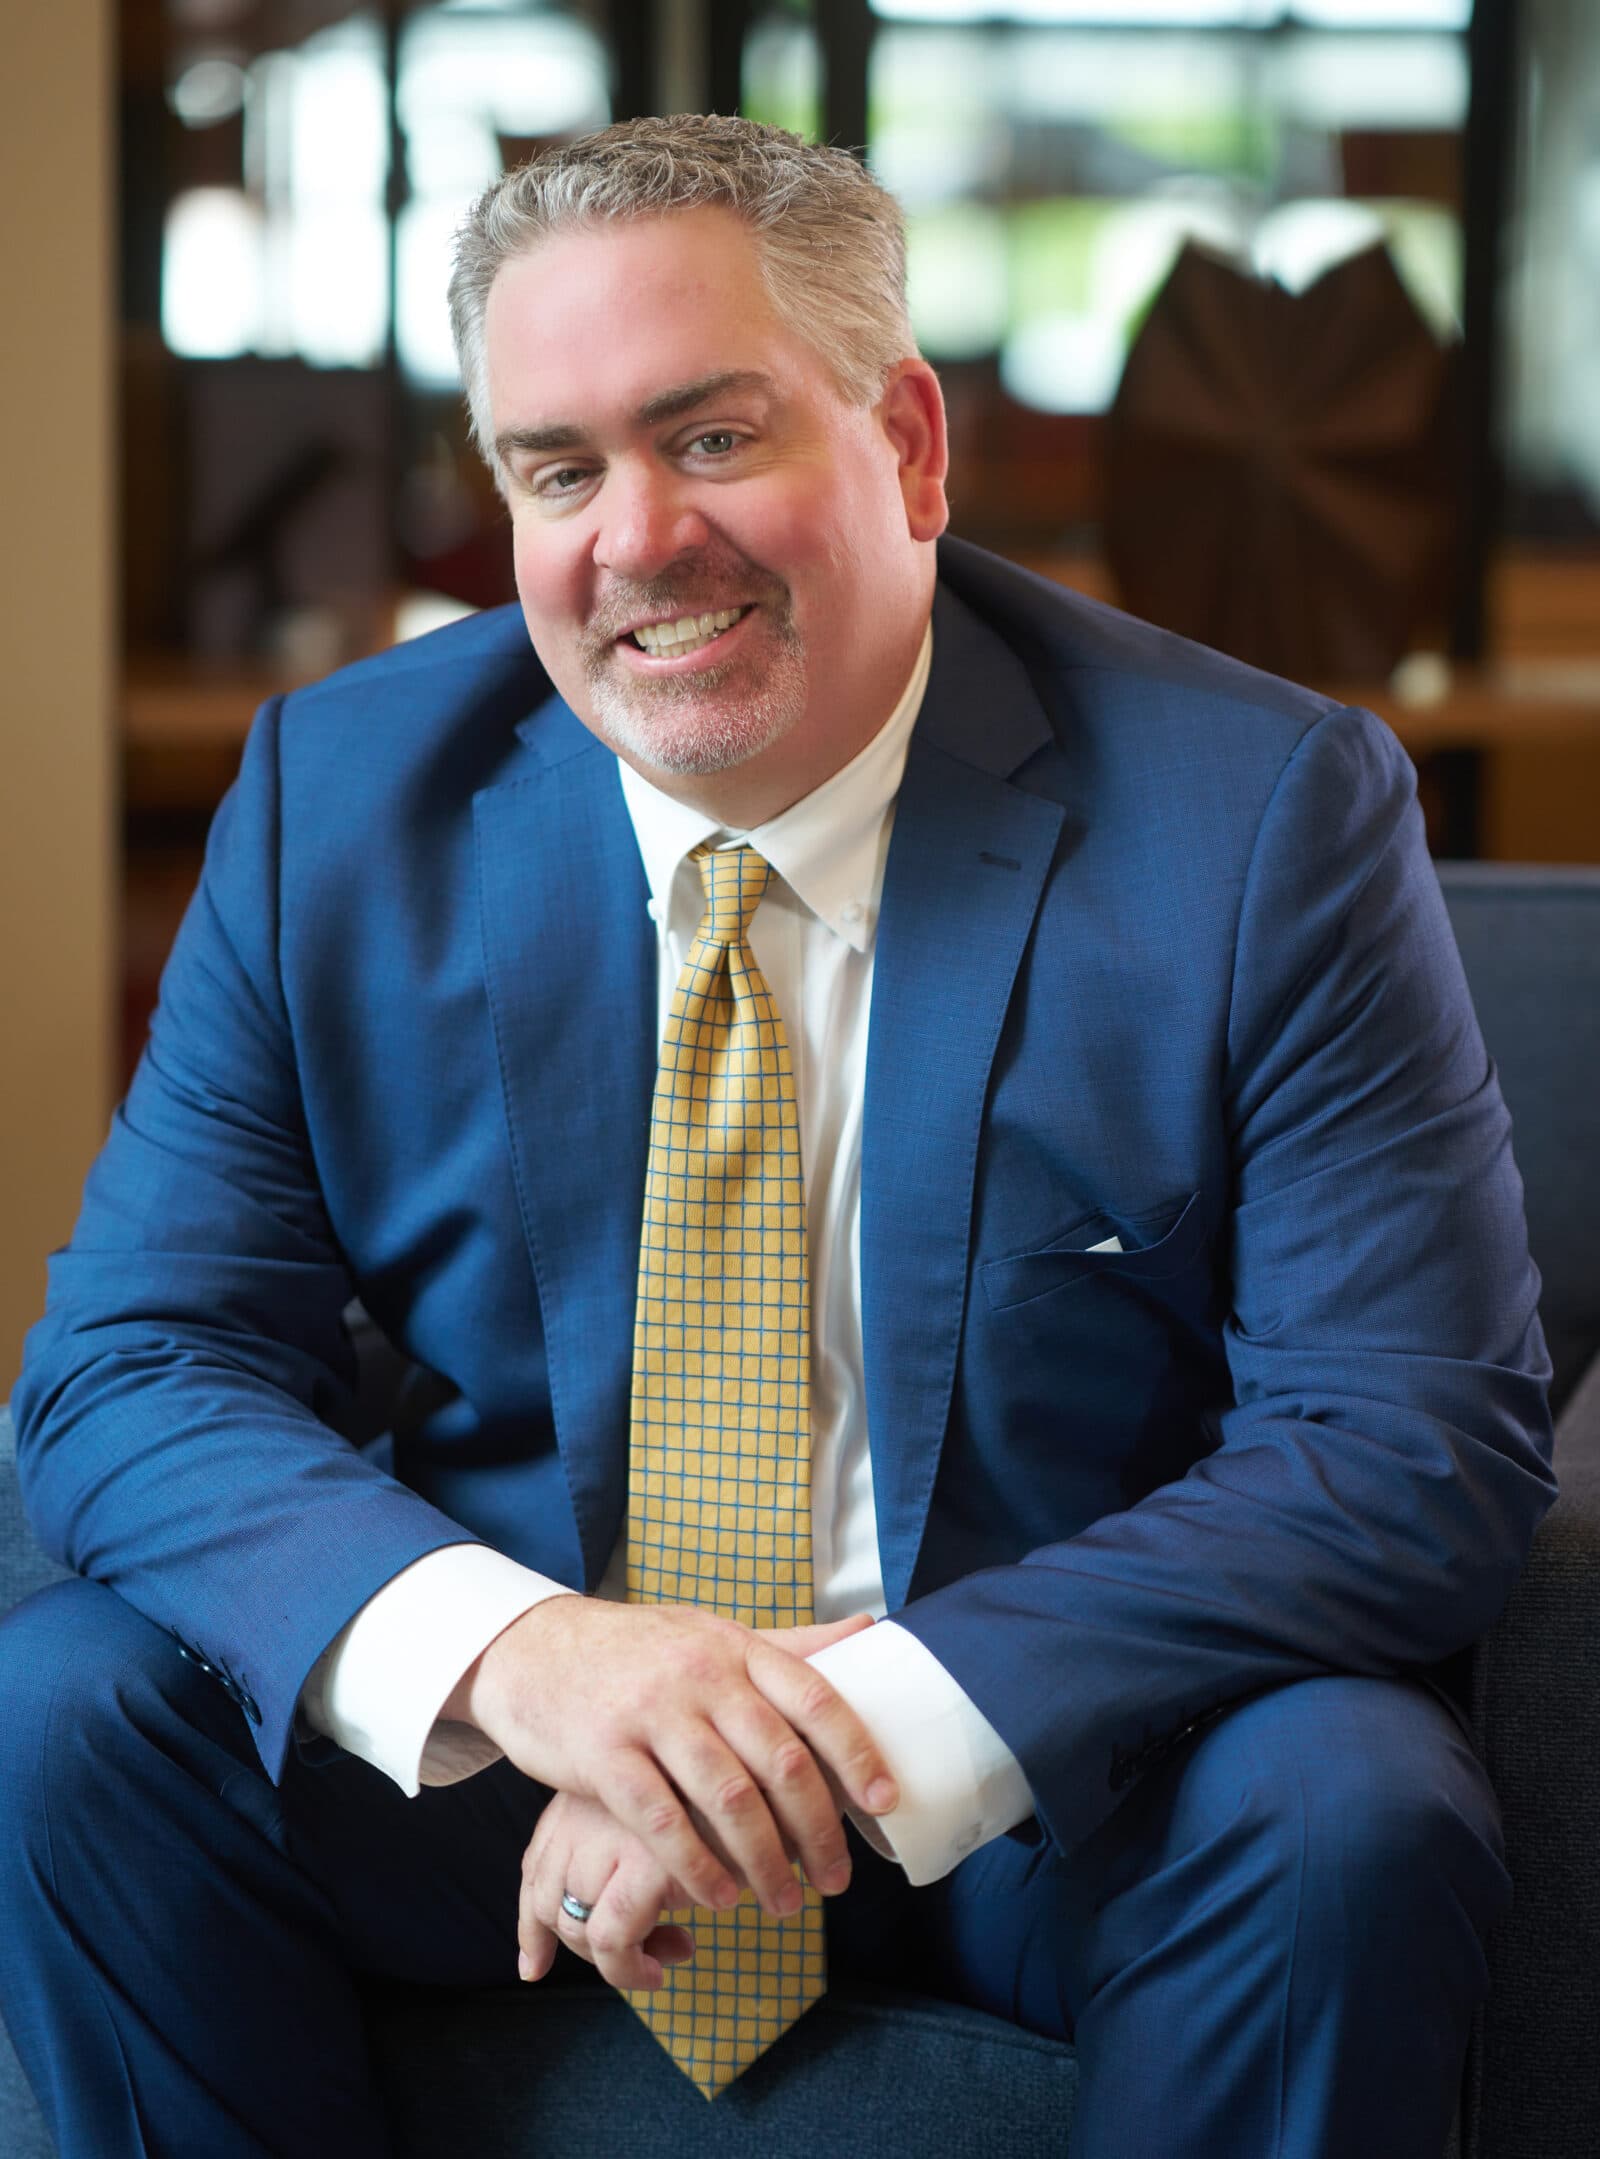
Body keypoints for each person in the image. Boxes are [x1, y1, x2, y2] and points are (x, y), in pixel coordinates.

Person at [0, 114, 1555, 2158]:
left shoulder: (1261, 816)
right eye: (554, 471)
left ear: (907, 444)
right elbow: (130, 1367)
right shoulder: (338, 799)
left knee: (1347, 1803)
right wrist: (538, 1668)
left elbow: (1401, 1444)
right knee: (67, 1715)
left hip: (1039, 1772)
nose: (633, 540)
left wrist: (816, 1739)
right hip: (526, 1780)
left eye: (709, 438)